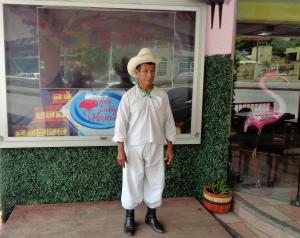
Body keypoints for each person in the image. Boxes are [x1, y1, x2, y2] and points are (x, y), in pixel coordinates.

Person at [112, 48, 176, 236]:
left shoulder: (162, 96)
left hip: (156, 145)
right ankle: (130, 217)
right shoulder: (129, 97)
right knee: (132, 181)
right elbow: (120, 125)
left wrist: (170, 146)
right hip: (133, 147)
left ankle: (151, 215)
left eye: (152, 71)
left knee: (156, 180)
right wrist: (120, 150)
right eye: (146, 71)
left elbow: (168, 122)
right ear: (137, 73)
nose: (150, 75)